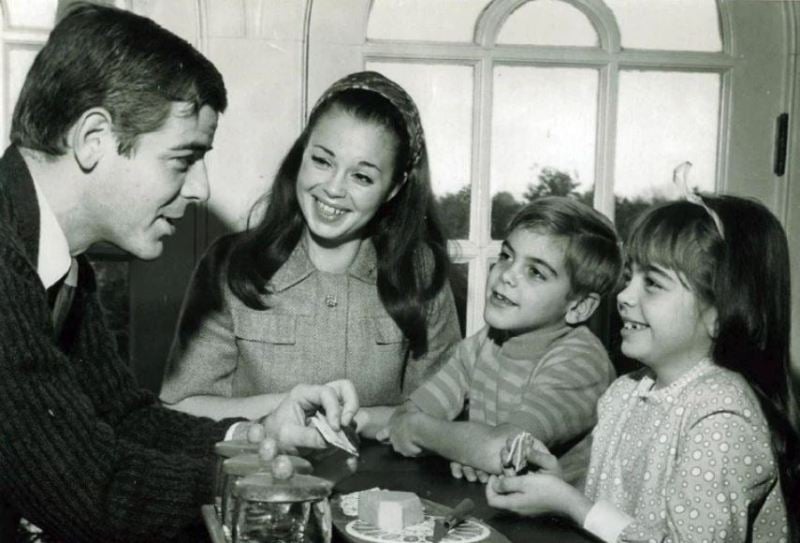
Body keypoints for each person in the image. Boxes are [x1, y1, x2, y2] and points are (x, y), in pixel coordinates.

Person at [0, 5, 358, 542]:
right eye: (183, 158)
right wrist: (255, 479)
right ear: (94, 138)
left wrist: (256, 435)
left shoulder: (57, 259)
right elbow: (94, 492)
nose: (200, 189)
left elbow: (124, 419)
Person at [160, 71, 461, 436]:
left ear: (394, 188)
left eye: (362, 177)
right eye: (322, 160)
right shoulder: (230, 264)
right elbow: (180, 407)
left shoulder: (422, 274)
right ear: (302, 154)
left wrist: (351, 421)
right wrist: (285, 409)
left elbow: (438, 416)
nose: (333, 188)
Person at [486, 195, 799, 542]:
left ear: (720, 314)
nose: (624, 296)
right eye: (629, 277)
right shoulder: (625, 393)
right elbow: (615, 518)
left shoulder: (722, 417)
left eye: (653, 283)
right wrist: (558, 488)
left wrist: (572, 504)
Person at [383, 197, 622, 483]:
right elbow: (412, 413)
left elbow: (505, 450)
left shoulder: (581, 362)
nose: (507, 275)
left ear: (579, 307)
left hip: (558, 511)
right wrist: (465, 447)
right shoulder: (487, 341)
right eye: (507, 256)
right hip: (496, 500)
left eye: (535, 272)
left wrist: (423, 432)